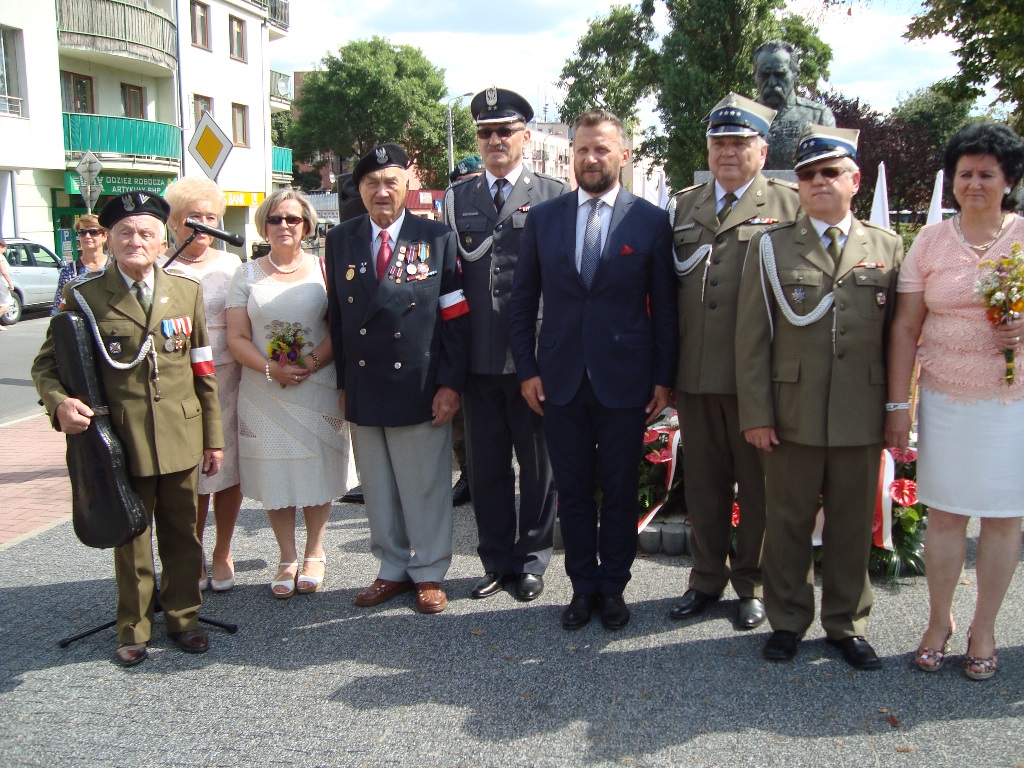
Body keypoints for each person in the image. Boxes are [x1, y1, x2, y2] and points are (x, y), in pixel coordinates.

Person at [32, 190, 223, 667]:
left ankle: (184, 618)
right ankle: (133, 627)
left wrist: (214, 437)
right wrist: (59, 405)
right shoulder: (85, 295)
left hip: (181, 434)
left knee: (183, 533)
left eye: (145, 233)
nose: (135, 241)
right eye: (124, 233)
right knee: (131, 537)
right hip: (121, 439)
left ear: (163, 242)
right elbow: (47, 366)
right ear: (110, 241)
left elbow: (203, 368)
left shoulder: (186, 291)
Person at [736, 126, 902, 670]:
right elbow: (752, 340)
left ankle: (846, 624)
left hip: (860, 410)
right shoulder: (771, 245)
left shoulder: (887, 247)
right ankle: (787, 621)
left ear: (855, 180)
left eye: (829, 172)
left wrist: (899, 411)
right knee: (787, 521)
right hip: (793, 412)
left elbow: (900, 337)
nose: (817, 183)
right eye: (806, 175)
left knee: (852, 523)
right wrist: (756, 413)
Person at [509, 110, 677, 631]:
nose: (590, 158)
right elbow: (522, 301)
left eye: (601, 148)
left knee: (622, 489)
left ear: (623, 155)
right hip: (558, 381)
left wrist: (664, 378)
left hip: (626, 383)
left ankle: (615, 588)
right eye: (582, 149)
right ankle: (583, 587)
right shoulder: (545, 218)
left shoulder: (649, 221)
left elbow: (667, 309)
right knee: (574, 490)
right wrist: (527, 369)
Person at [886, 122, 1024, 681]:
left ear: (1008, 179)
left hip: (1011, 403)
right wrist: (900, 405)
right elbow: (904, 328)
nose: (974, 183)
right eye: (964, 173)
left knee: (1003, 520)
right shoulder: (929, 241)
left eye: (986, 173)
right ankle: (937, 622)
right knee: (944, 516)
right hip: (944, 398)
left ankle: (984, 628)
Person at [667, 92, 800, 632]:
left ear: (761, 150)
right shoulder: (686, 204)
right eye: (719, 142)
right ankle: (704, 579)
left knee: (758, 488)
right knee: (703, 485)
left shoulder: (789, 206)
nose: (727, 152)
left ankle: (752, 584)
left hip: (756, 382)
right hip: (696, 377)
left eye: (739, 142)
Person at [326, 143, 469, 614]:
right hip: (366, 383)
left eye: (390, 182)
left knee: (424, 483)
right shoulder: (341, 238)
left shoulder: (437, 237)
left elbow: (456, 315)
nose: (382, 192)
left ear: (407, 183)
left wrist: (451, 384)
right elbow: (340, 323)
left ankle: (428, 571)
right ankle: (390, 567)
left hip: (419, 382)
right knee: (379, 486)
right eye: (372, 184)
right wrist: (344, 384)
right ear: (360, 190)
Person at [443, 88, 568, 602]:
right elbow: (449, 278)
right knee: (487, 467)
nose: (494, 140)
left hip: (533, 357)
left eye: (504, 131)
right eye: (485, 132)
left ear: (525, 137)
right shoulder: (457, 198)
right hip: (477, 356)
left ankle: (534, 559)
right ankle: (495, 559)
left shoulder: (554, 195)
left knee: (538, 467)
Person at [226, 188, 351, 599]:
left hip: (317, 382)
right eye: (276, 219)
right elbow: (237, 336)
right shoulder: (244, 274)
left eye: (292, 219)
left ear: (307, 226)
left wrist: (312, 362)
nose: (284, 226)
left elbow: (339, 328)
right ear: (264, 225)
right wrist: (269, 367)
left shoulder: (324, 268)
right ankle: (285, 556)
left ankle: (315, 550)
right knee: (276, 473)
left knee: (316, 469)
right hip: (264, 388)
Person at [161, 177, 242, 593]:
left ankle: (223, 551)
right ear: (174, 223)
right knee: (189, 472)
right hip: (177, 381)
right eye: (195, 217)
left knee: (227, 468)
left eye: (212, 217)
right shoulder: (161, 267)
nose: (205, 225)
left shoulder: (231, 266)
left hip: (227, 377)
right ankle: (189, 552)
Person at [444, 152, 486, 507]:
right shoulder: (443, 232)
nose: (463, 192)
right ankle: (469, 473)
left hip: (493, 329)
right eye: (458, 186)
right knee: (462, 418)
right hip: (460, 333)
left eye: (470, 183)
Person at [753, 41, 836, 171]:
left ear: (795, 74)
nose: (772, 82)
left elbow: (830, 171)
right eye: (765, 75)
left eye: (780, 74)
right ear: (755, 75)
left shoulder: (818, 117)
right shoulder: (741, 117)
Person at [51, 216, 110, 315]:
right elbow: (59, 308)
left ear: (104, 236)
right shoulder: (70, 270)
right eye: (82, 232)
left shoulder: (115, 267)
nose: (87, 236)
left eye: (93, 232)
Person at [0, 239, 13, 326]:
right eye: (4, 248)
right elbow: (4, 272)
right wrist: (10, 283)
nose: (5, 251)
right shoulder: (1, 257)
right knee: (7, 303)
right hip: (1, 281)